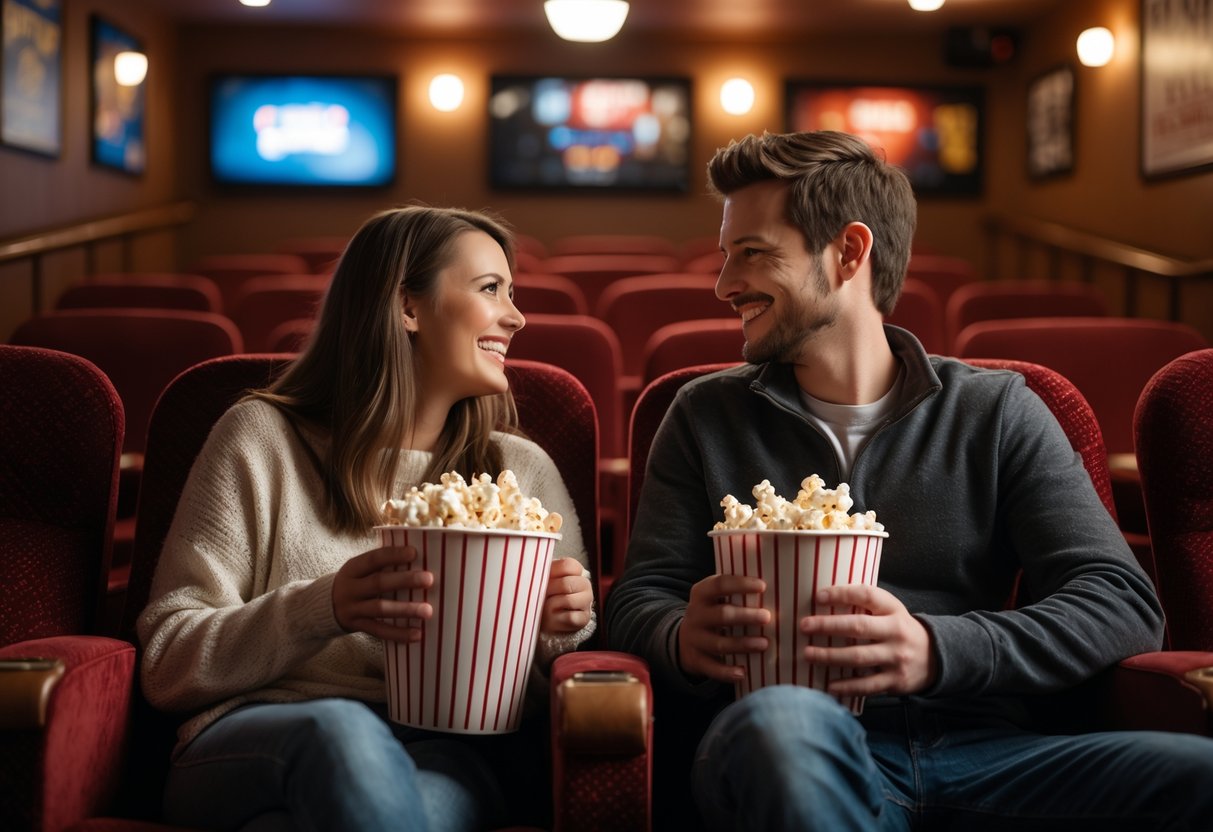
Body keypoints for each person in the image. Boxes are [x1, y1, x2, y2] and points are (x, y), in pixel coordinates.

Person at [605, 131, 1213, 831]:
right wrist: (680, 634)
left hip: (993, 753)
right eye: (726, 256)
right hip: (796, 742)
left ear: (848, 252)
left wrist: (934, 649)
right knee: (785, 727)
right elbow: (635, 601)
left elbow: (1120, 605)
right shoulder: (703, 415)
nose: (723, 285)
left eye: (752, 254)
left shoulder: (995, 409)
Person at [138, 205, 597, 832]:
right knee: (343, 733)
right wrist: (324, 606)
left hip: (444, 751)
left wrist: (553, 629)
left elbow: (546, 695)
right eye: (492, 289)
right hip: (257, 738)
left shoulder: (522, 471)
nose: (516, 317)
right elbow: (166, 662)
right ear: (407, 307)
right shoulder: (260, 438)